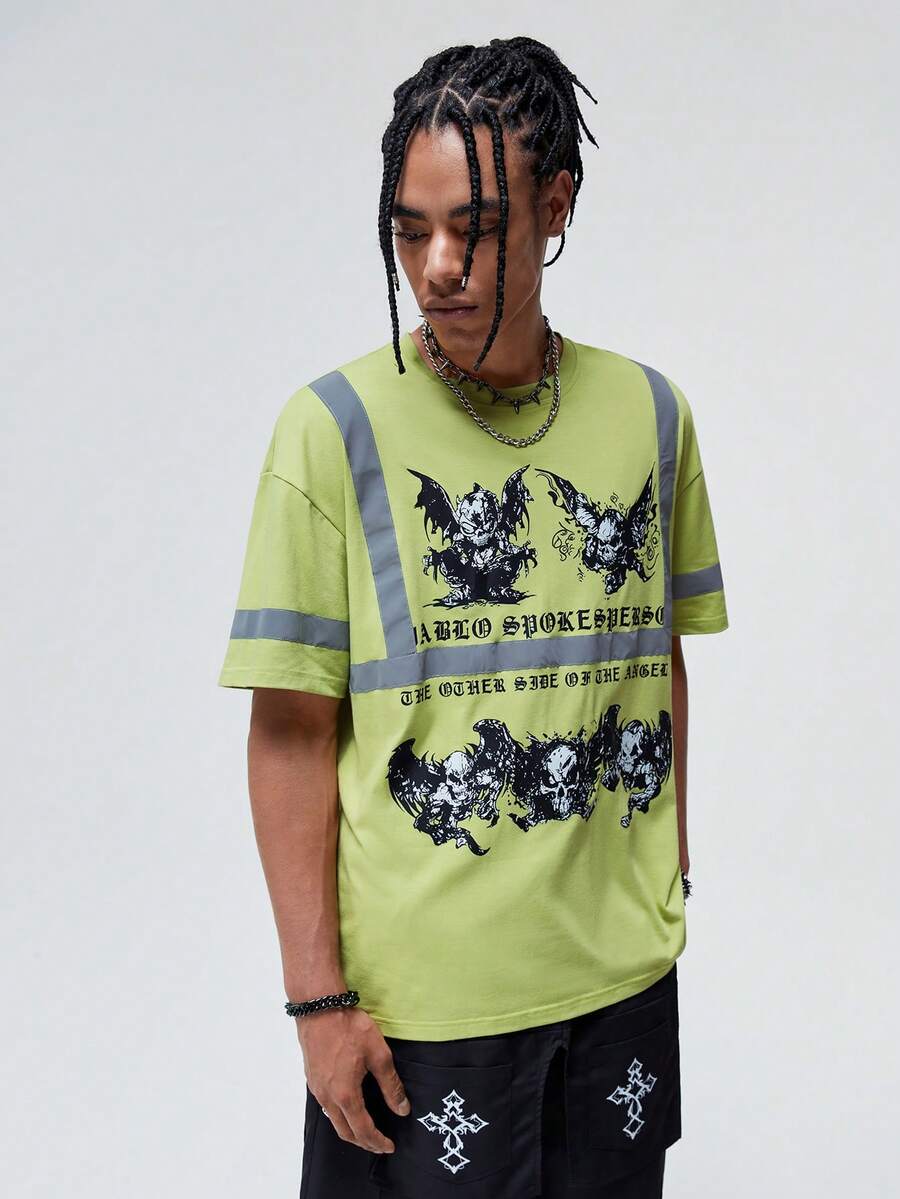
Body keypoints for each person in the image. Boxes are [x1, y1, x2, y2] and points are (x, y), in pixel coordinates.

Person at [218, 35, 728, 1199]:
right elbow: (290, 729)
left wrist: (670, 867)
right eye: (410, 231)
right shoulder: (331, 428)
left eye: (476, 227)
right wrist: (317, 1000)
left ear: (557, 207)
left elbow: (654, 651)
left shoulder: (653, 414)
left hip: (619, 987)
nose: (437, 267)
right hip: (423, 1012)